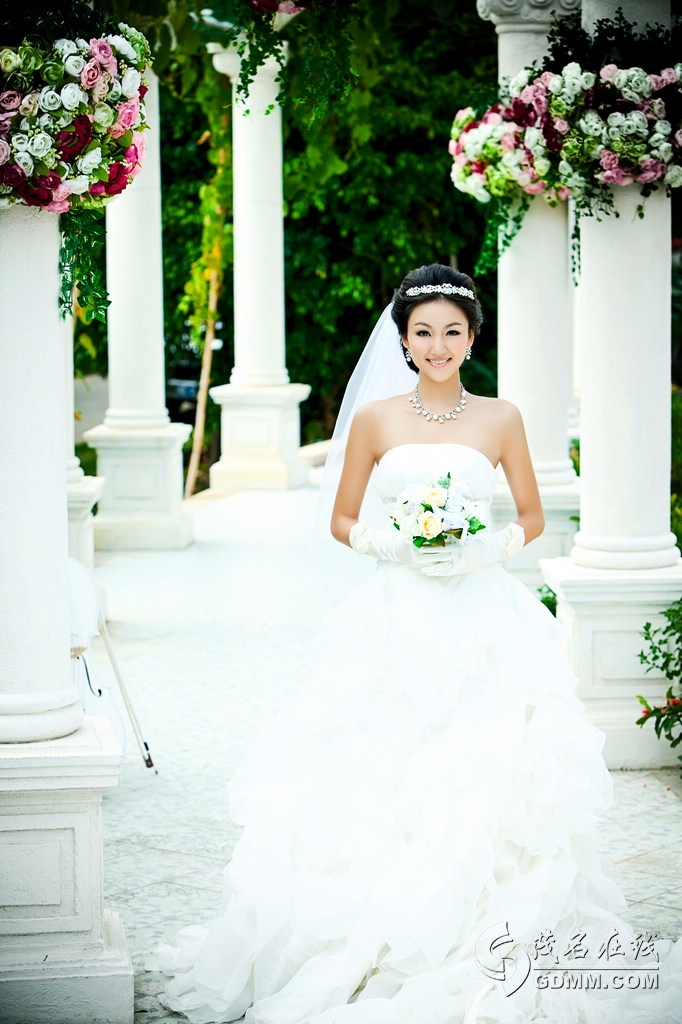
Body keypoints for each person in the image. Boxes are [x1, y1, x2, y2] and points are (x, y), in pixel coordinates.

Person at [153, 264, 682, 1023]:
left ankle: (485, 930)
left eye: (453, 332)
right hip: (395, 615)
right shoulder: (374, 421)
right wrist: (385, 543)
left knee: (489, 766)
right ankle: (380, 931)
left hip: (481, 614)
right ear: (403, 340)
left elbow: (530, 516)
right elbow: (339, 519)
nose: (438, 346)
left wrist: (485, 550)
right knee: (380, 770)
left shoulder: (500, 418)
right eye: (423, 332)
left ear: (472, 338)